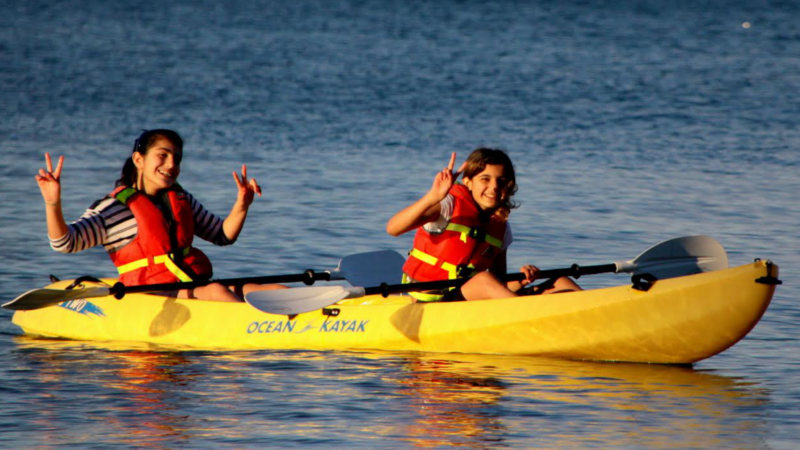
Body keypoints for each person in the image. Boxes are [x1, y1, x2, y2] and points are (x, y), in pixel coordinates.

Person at [35, 129, 283, 302]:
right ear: (138, 159)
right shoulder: (114, 208)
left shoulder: (181, 199)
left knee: (271, 290)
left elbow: (222, 235)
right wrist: (52, 202)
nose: (171, 164)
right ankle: (258, 327)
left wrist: (242, 204)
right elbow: (64, 243)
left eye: (177, 158)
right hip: (150, 295)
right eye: (162, 155)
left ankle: (314, 318)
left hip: (189, 287)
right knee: (217, 292)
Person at [386, 148, 581, 302]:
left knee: (561, 281)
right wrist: (433, 196)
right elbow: (393, 229)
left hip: (466, 299)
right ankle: (532, 318)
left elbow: (500, 281)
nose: (494, 187)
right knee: (483, 281)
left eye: (501, 181)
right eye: (485, 179)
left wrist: (523, 278)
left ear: (509, 187)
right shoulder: (446, 206)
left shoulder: (501, 227)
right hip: (430, 300)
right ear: (468, 182)